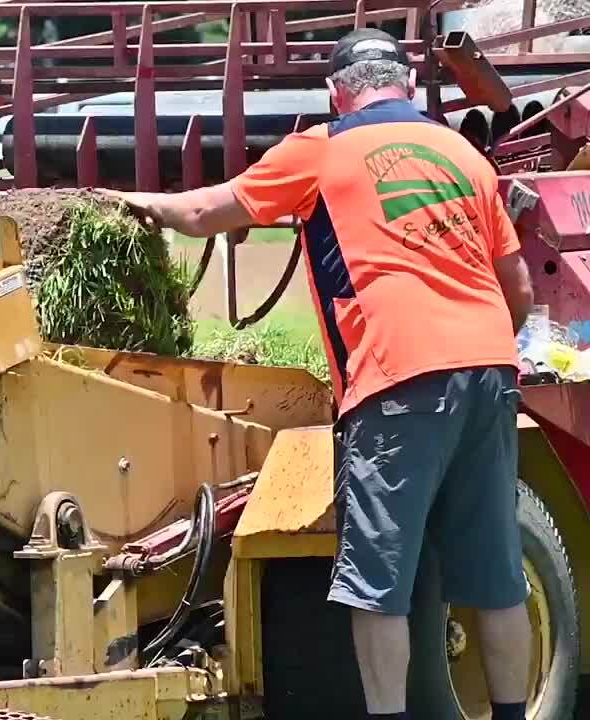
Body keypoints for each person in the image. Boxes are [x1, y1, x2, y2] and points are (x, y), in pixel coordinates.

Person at [101, 27, 536, 720]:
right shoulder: (462, 153)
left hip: (397, 378)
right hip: (487, 371)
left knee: (378, 583)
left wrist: (140, 205)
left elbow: (205, 212)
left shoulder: (322, 148)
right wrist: (477, 347)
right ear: (403, 85)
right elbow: (517, 287)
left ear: (339, 92)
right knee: (495, 576)